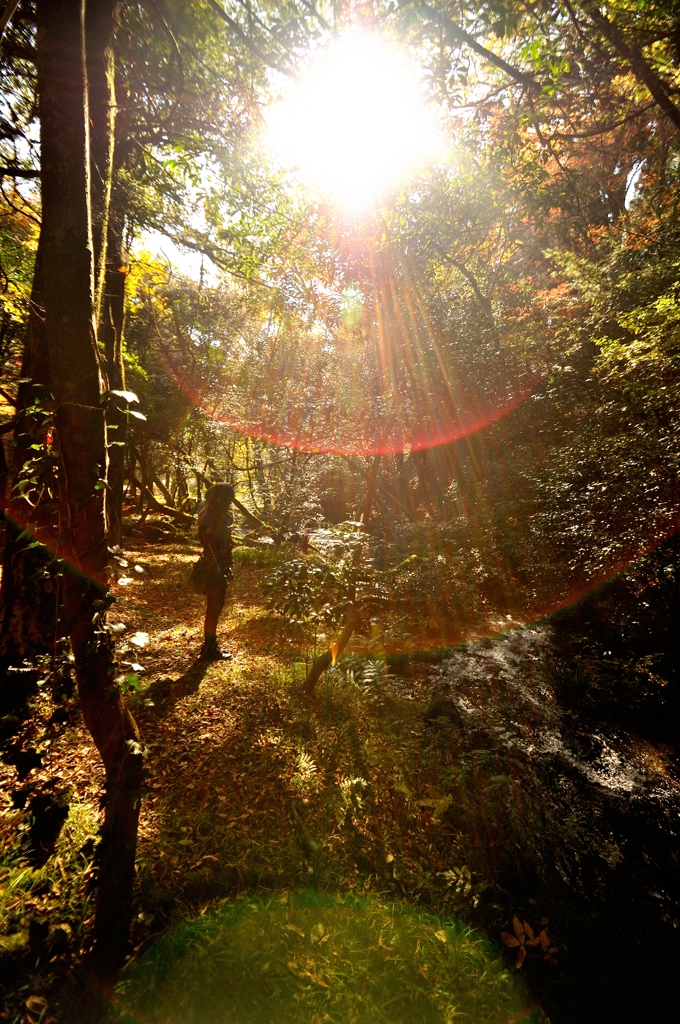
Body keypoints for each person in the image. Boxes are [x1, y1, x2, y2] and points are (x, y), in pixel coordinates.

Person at [197, 482, 234, 661]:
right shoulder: (210, 517)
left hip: (218, 565)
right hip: (214, 567)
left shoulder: (211, 515)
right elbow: (211, 541)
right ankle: (209, 647)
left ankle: (210, 646)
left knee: (215, 607)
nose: (230, 505)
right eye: (228, 501)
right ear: (219, 500)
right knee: (214, 607)